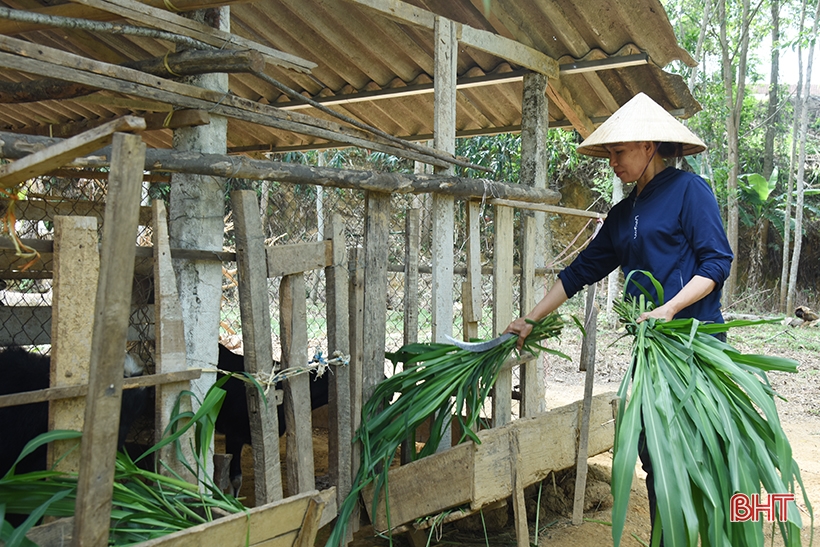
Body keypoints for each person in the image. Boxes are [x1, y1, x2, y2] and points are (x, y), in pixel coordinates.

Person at [504, 92, 733, 544]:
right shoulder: (622, 213)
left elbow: (716, 264)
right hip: (652, 355)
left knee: (690, 452)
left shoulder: (690, 192)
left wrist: (668, 309)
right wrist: (529, 317)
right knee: (652, 449)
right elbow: (579, 272)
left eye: (619, 151)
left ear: (649, 146)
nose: (612, 162)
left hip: (692, 345)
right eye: (609, 153)